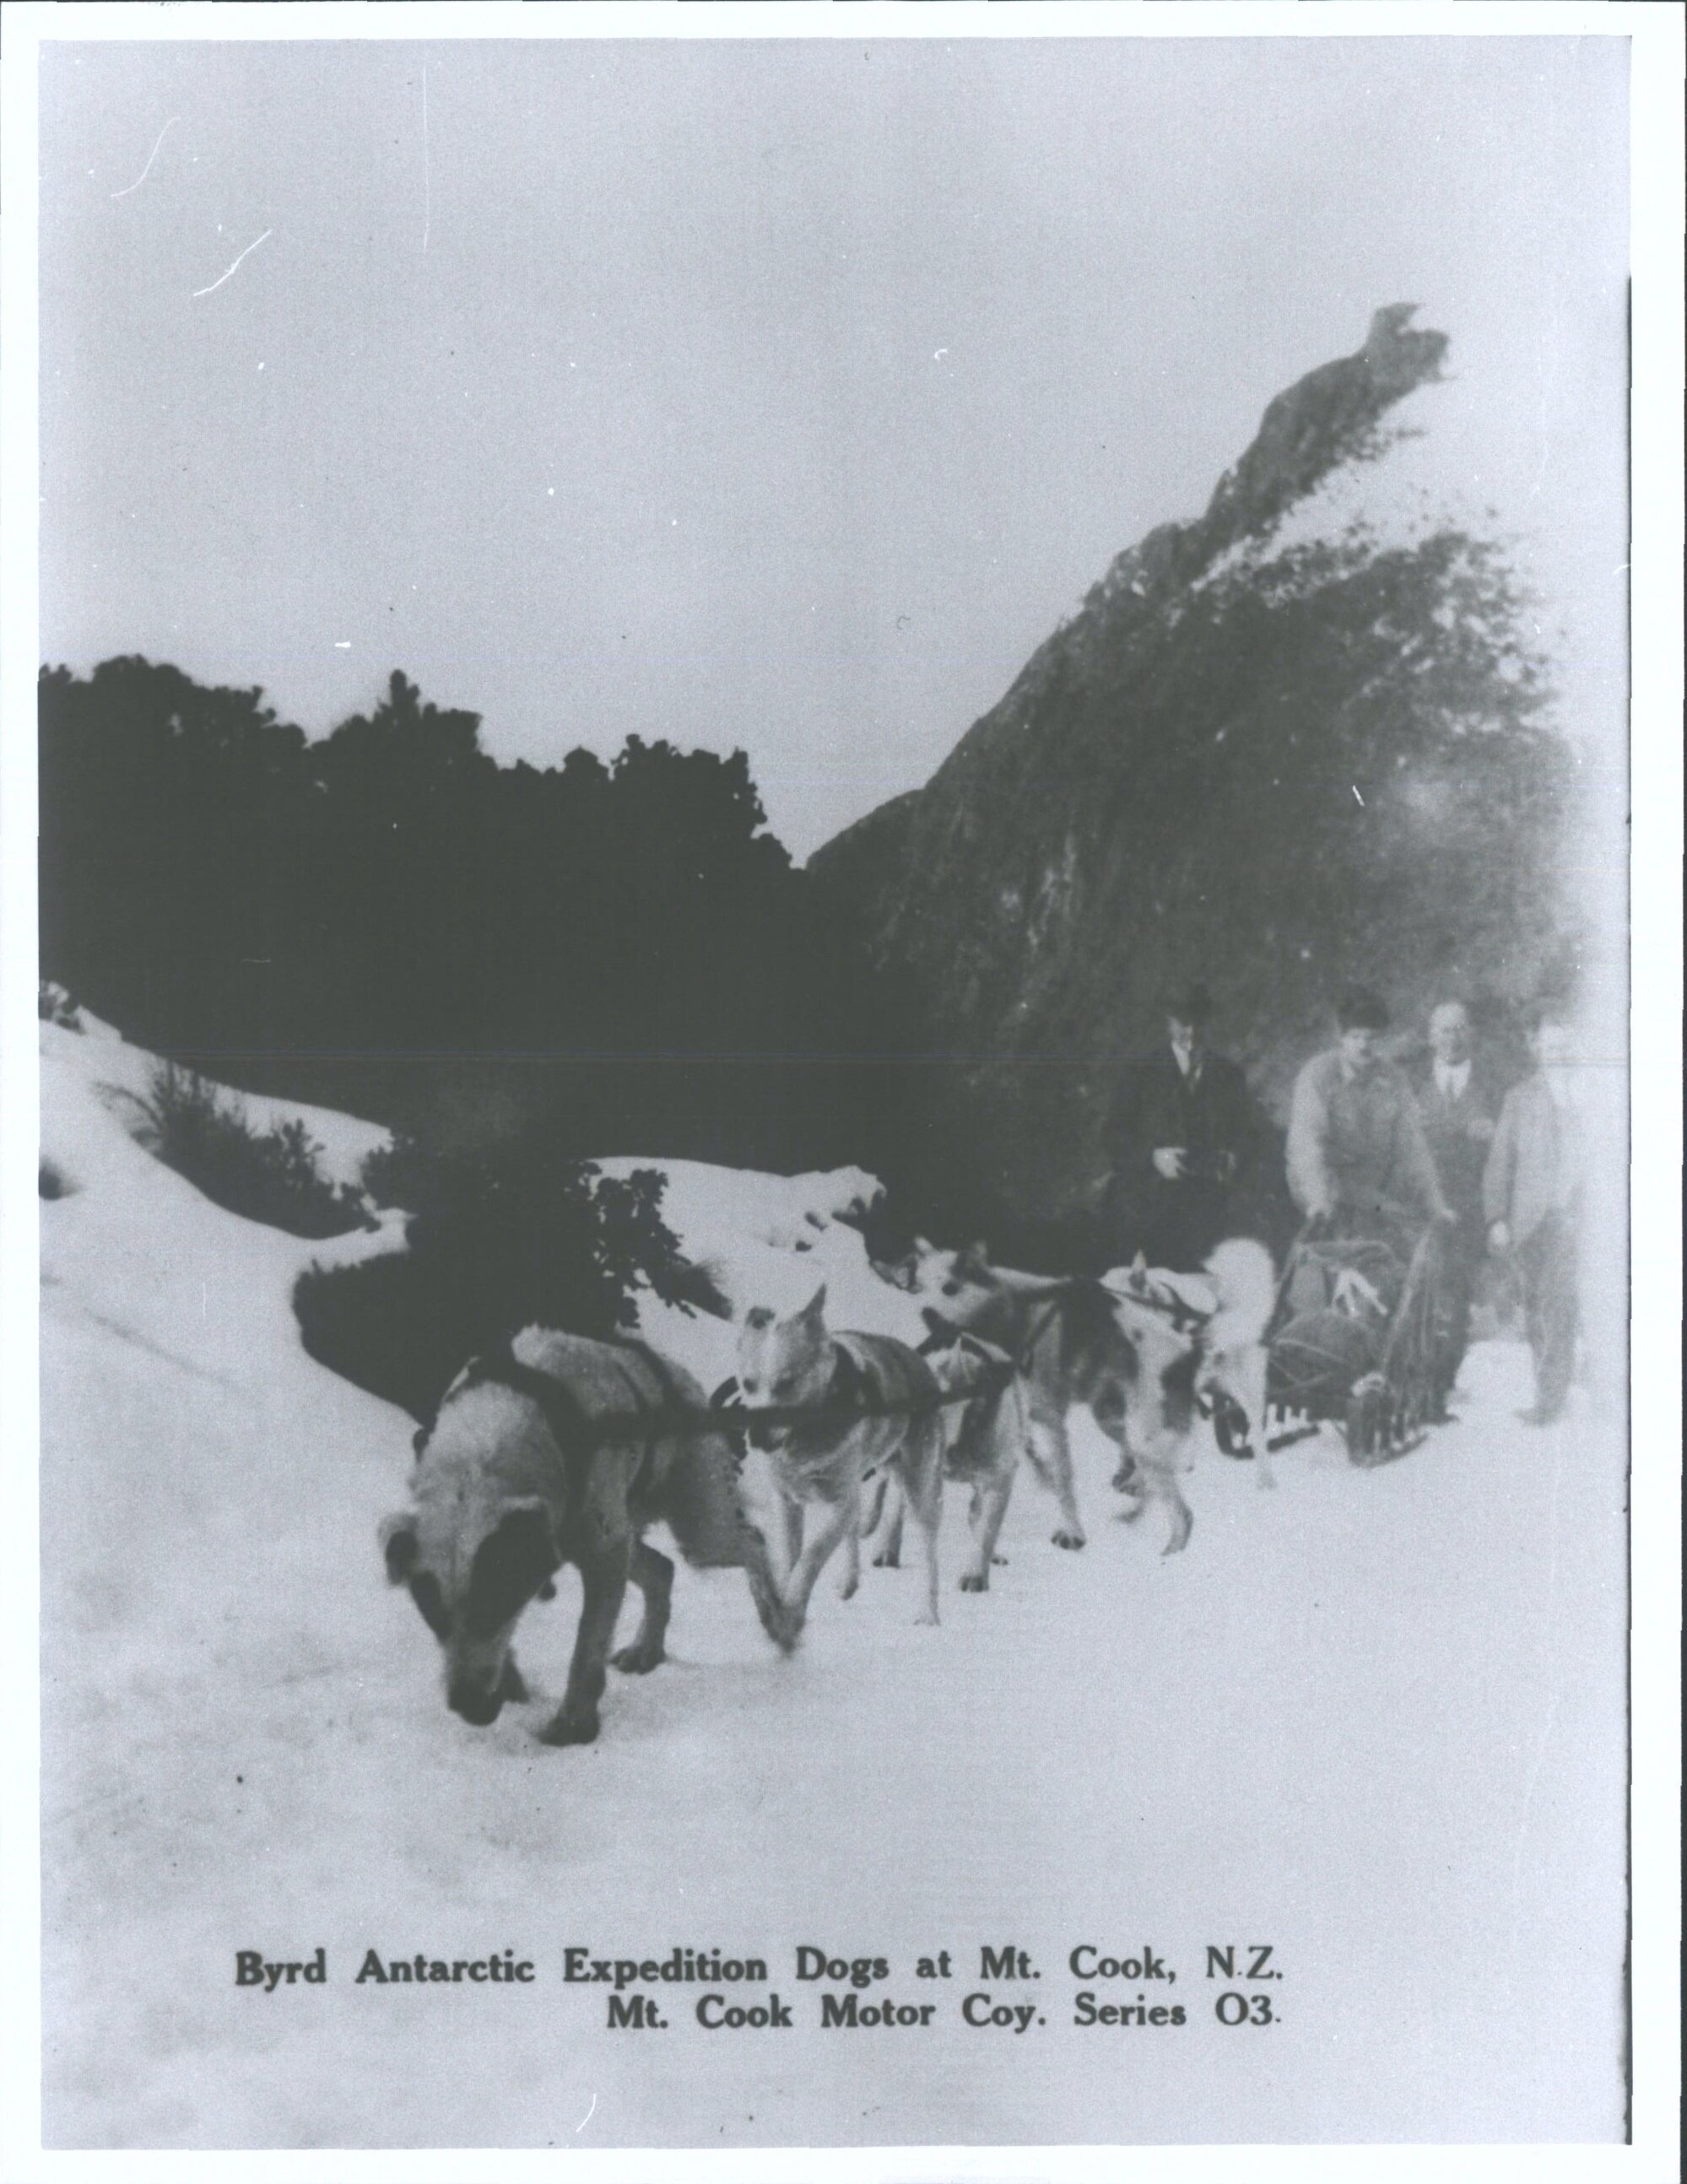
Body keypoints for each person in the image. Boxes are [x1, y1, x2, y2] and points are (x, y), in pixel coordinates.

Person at [1104, 982, 1263, 1271]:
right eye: (1183, 1024)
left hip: (1209, 1212)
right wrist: (1153, 1158)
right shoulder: (1141, 1073)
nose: (1191, 1033)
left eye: (1199, 1024)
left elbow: (1248, 1134)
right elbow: (1113, 1136)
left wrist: (1233, 1158)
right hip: (1149, 1212)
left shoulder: (1229, 1076)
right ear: (1169, 1023)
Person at [1484, 1009, 1583, 1425]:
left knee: (1561, 1305)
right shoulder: (1520, 1098)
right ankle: (1548, 1393)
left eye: (1565, 1045)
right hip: (1530, 1223)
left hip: (1576, 1220)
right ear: (1536, 1047)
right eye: (1549, 1045)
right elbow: (1499, 1164)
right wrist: (1497, 1218)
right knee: (1537, 1310)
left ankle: (1552, 1400)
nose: (1557, 1053)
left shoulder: (1594, 1096)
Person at [1286, 987, 1452, 1235]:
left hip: (1372, 1191)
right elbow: (1307, 1147)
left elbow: (1414, 1148)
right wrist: (1318, 1200)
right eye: (1355, 1037)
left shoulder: (1394, 1079)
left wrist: (1437, 1206)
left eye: (1372, 1038)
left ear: (1383, 1038)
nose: (1364, 1046)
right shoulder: (1318, 1076)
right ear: (1341, 1038)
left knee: (1406, 1238)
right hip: (1323, 1186)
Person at [1411, 999, 1500, 1415]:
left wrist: (1493, 1133)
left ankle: (1441, 1384)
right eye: (1444, 1030)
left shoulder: (1493, 1084)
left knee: (1456, 1295)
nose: (1452, 1038)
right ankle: (1414, 1378)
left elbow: (1509, 1144)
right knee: (1418, 1290)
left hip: (1468, 1207)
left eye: (1460, 1028)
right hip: (1420, 1207)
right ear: (1431, 1037)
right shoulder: (1412, 1083)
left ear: (1472, 1034)